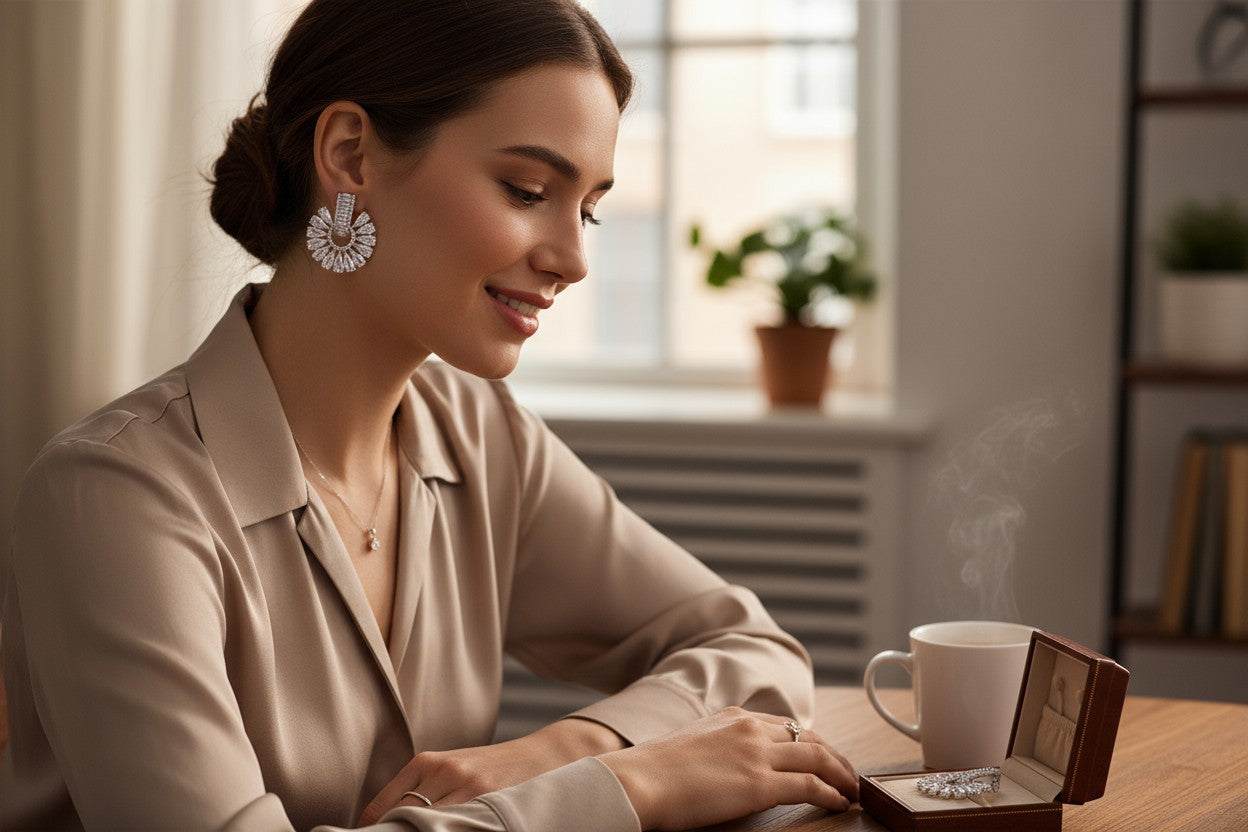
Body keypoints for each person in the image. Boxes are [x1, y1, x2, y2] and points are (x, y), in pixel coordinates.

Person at [0, 1, 858, 829]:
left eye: (588, 207)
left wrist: (567, 746)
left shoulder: (480, 434)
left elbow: (754, 648)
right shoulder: (115, 497)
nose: (574, 258)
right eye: (528, 190)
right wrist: (625, 789)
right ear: (350, 154)